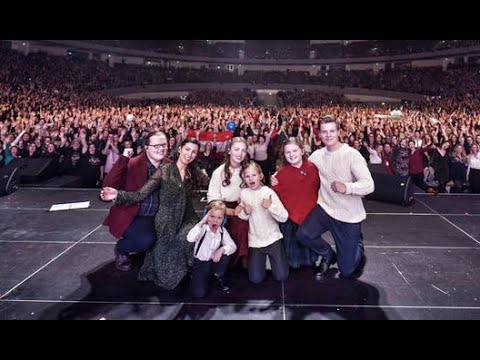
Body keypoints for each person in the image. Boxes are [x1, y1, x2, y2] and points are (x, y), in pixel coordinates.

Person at [101, 138, 204, 290]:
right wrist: (118, 195)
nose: (190, 154)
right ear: (180, 149)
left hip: (187, 217)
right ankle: (123, 249)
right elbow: (140, 194)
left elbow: (214, 182)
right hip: (166, 220)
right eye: (187, 149)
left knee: (189, 238)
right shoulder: (165, 170)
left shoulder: (194, 172)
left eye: (194, 152)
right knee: (166, 275)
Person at [296, 116, 374, 279]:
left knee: (346, 270)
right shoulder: (316, 156)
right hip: (325, 208)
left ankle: (357, 243)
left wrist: (347, 187)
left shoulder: (352, 155)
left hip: (348, 214)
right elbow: (300, 171)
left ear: (339, 132)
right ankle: (327, 254)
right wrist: (277, 176)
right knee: (304, 234)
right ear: (319, 134)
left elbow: (369, 184)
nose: (328, 135)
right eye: (324, 131)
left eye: (332, 131)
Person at [102, 131, 170, 271]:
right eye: (156, 145)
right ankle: (122, 249)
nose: (161, 149)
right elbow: (109, 183)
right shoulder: (133, 163)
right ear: (146, 147)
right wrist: (123, 159)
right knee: (145, 240)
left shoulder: (170, 165)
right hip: (134, 215)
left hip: (159, 216)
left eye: (164, 145)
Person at [271, 138, 320, 269]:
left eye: (295, 151)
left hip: (310, 219)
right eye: (288, 152)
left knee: (310, 262)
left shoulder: (313, 168)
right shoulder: (280, 175)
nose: (292, 155)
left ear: (302, 151)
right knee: (293, 264)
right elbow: (273, 196)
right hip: (290, 221)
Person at [238, 162, 289, 284]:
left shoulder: (268, 192)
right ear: (244, 179)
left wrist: (271, 206)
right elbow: (242, 215)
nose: (251, 179)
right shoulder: (243, 193)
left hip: (272, 238)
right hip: (255, 241)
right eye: (247, 176)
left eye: (254, 175)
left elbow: (284, 217)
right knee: (255, 279)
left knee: (281, 276)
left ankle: (280, 258)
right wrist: (245, 212)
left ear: (260, 176)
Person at [207, 137, 249, 268]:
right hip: (223, 209)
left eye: (243, 150)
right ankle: (233, 262)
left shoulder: (247, 170)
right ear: (229, 150)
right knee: (238, 228)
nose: (239, 153)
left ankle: (249, 261)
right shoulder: (219, 172)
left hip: (244, 207)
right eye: (236, 149)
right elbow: (212, 200)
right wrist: (229, 211)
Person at [187, 200, 237, 298]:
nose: (215, 220)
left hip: (213, 262)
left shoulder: (222, 230)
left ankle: (217, 276)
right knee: (199, 293)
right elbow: (190, 238)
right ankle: (198, 278)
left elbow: (233, 246)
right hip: (201, 264)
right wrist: (202, 222)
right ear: (206, 216)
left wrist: (221, 249)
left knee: (225, 255)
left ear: (223, 219)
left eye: (219, 218)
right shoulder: (202, 229)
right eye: (212, 216)